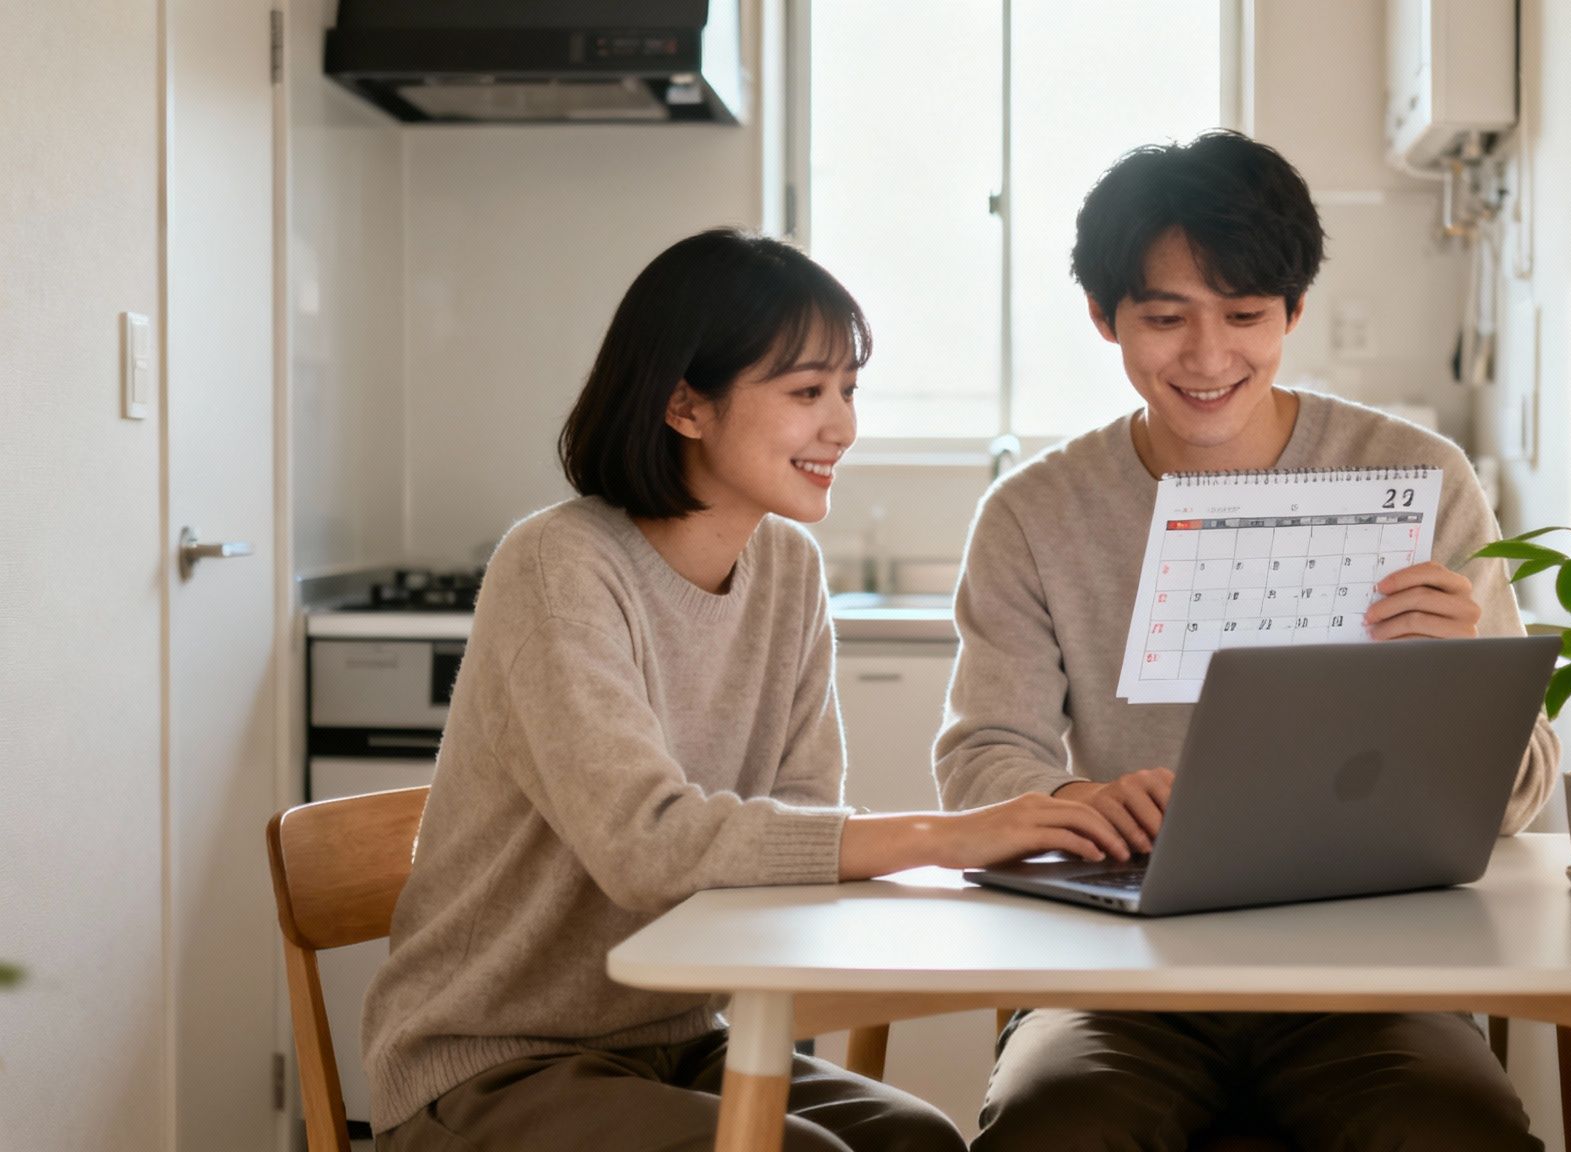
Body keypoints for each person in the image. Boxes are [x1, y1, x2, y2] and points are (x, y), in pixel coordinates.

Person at [361, 228, 1126, 1152]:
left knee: (916, 1142)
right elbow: (646, 845)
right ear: (687, 403)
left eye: (847, 390)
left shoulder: (788, 572)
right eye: (807, 392)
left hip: (680, 1041)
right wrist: (947, 832)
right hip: (491, 1064)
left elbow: (799, 820)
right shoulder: (559, 567)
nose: (841, 426)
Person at [936, 132, 1560, 1150]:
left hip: (1368, 971)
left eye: (1244, 315)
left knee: (1455, 1132)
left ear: (1293, 313)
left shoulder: (1418, 478)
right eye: (1164, 317)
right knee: (1052, 1129)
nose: (1208, 356)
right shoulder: (1032, 514)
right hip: (1120, 975)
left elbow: (1526, 788)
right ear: (1104, 318)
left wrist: (1456, 678)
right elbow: (976, 760)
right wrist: (1074, 800)